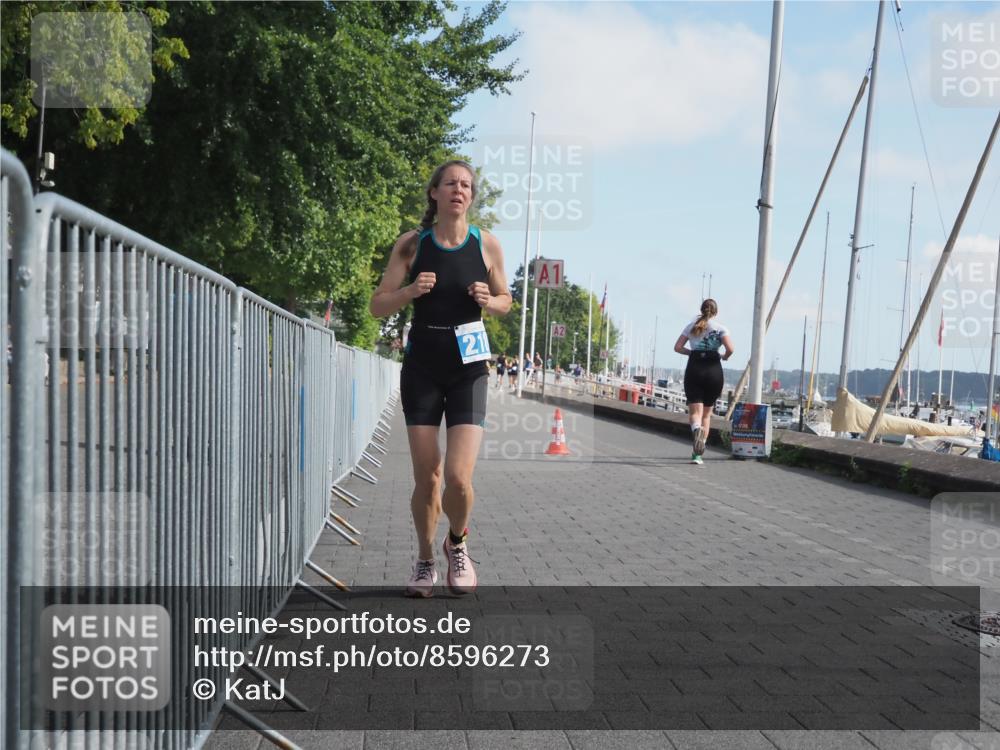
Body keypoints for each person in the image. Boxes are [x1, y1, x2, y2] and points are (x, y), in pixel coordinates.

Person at [370, 160, 512, 597]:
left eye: (466, 185)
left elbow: (507, 300)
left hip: (469, 368)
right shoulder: (412, 246)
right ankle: (425, 559)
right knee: (427, 477)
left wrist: (492, 300)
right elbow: (378, 306)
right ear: (434, 193)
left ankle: (458, 543)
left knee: (458, 478)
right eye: (450, 183)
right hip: (424, 369)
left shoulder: (486, 244)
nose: (459, 189)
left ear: (472, 196)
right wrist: (410, 291)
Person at [673, 298, 734, 466]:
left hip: (695, 368)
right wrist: (724, 357)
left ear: (702, 310)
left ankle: (696, 430)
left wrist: (692, 353)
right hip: (714, 370)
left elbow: (677, 347)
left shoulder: (691, 326)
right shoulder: (721, 328)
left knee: (695, 413)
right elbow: (730, 349)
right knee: (707, 414)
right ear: (715, 312)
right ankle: (697, 454)